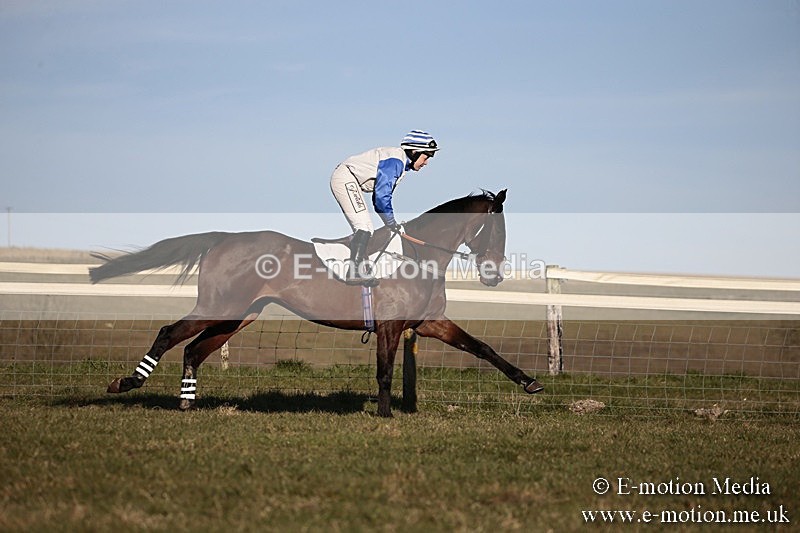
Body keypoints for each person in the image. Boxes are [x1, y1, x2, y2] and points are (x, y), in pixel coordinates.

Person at [330, 130, 440, 286]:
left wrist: (390, 222)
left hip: (351, 179)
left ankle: (359, 267)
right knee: (364, 226)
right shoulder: (395, 162)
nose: (426, 162)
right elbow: (381, 198)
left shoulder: (399, 163)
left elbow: (380, 200)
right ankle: (353, 272)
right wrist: (391, 222)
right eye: (426, 156)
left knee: (367, 227)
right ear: (415, 152)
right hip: (346, 178)